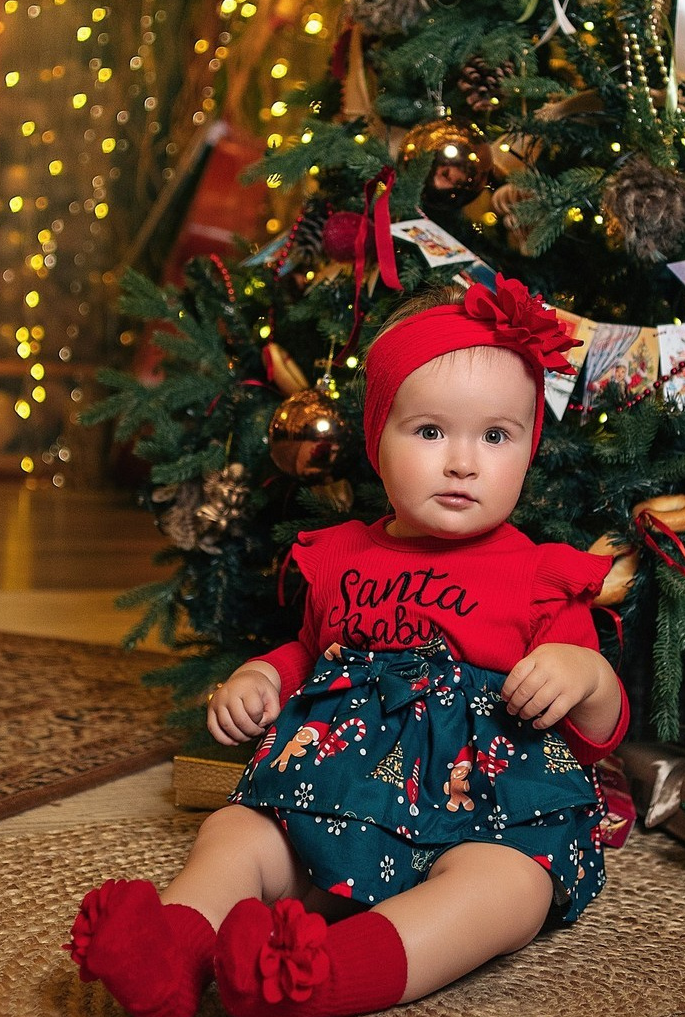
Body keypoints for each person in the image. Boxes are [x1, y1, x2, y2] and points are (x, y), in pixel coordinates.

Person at [67, 274, 629, 1017]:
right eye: (430, 432)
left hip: (480, 817)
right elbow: (311, 651)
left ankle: (321, 977)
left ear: (528, 449)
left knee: (513, 890)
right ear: (377, 441)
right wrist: (263, 676)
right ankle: (172, 948)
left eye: (496, 436)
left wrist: (584, 675)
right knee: (239, 832)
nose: (463, 462)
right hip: (333, 799)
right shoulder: (341, 556)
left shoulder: (538, 578)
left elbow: (597, 734)